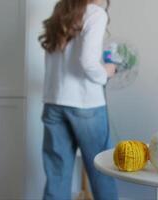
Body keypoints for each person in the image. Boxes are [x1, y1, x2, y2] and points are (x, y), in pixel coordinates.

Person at [39, 0, 118, 199]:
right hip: (86, 105)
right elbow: (88, 61)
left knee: (57, 175)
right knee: (102, 171)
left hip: (54, 102)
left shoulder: (60, 11)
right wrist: (106, 72)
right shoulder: (96, 14)